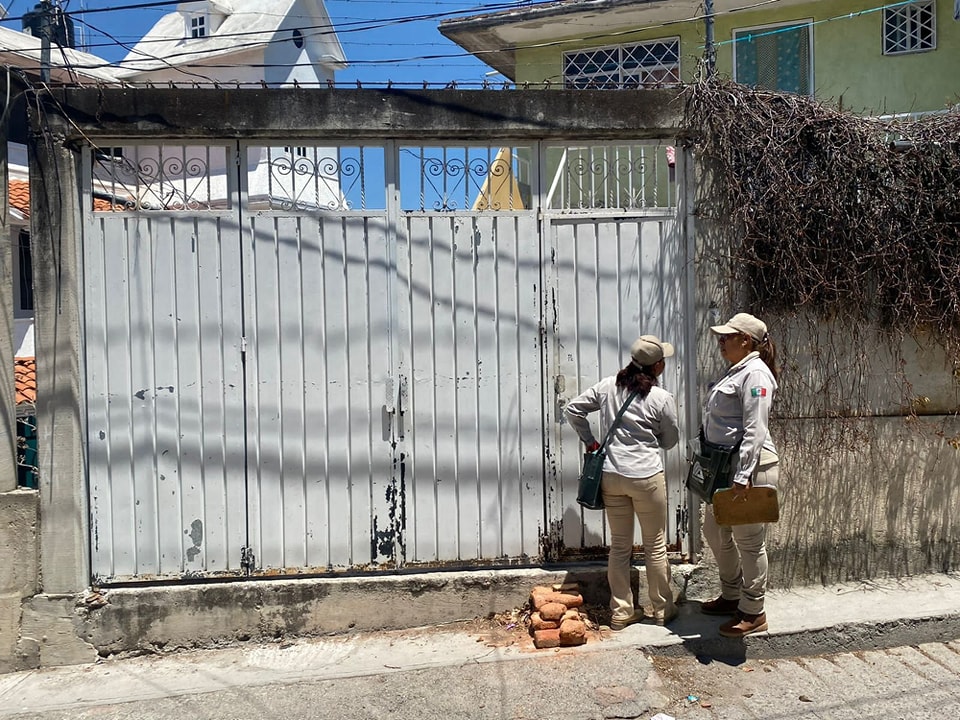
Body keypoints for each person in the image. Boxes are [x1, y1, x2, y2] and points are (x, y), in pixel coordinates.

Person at [564, 335, 680, 630]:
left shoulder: (607, 386)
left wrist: (590, 442)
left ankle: (622, 611)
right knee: (655, 545)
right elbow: (670, 441)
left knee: (619, 546)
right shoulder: (660, 398)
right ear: (658, 366)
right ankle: (662, 610)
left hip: (612, 477)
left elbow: (573, 409)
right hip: (645, 477)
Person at [699, 312, 780, 638]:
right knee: (715, 531)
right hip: (725, 468)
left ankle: (753, 610)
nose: (720, 342)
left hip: (750, 469)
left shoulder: (756, 375)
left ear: (745, 340)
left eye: (726, 337)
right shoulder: (736, 371)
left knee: (748, 541)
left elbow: (755, 428)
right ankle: (732, 594)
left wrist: (744, 473)